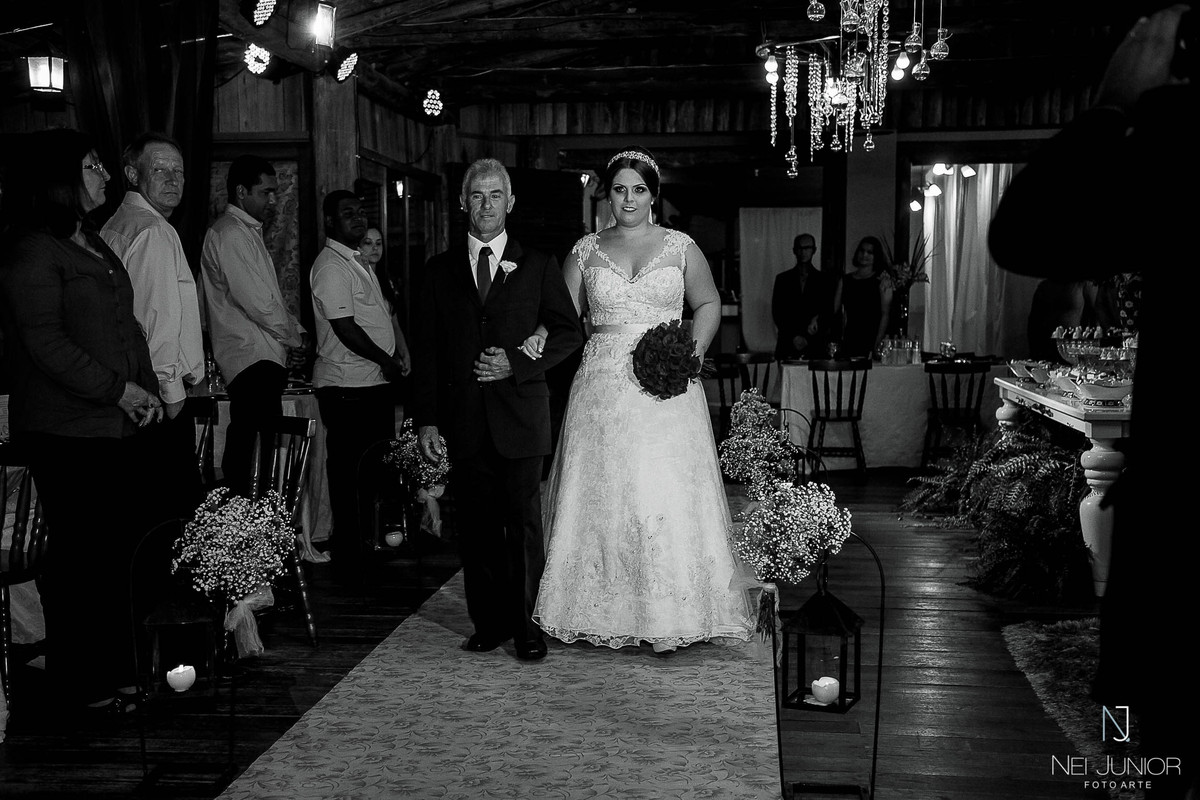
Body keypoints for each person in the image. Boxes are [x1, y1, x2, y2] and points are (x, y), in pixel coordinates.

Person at [989, 5, 1197, 797]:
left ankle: (1136, 759)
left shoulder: (1178, 145)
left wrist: (1115, 107)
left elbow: (1024, 233)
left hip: (1181, 512)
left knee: (1148, 720)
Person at [532, 146, 756, 654]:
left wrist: (692, 352)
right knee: (604, 488)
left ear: (654, 195)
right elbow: (561, 317)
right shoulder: (585, 250)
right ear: (606, 196)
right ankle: (595, 605)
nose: (628, 199)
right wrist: (536, 339)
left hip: (667, 385)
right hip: (601, 389)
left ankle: (672, 612)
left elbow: (708, 302)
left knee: (664, 486)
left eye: (638, 189)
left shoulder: (681, 246)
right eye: (619, 190)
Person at [0, 128, 162, 715]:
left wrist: (147, 386)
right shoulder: (32, 251)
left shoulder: (91, 240)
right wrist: (119, 389)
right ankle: (83, 682)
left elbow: (127, 323)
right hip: (64, 429)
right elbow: (45, 343)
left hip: (112, 424)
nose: (105, 174)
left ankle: (118, 669)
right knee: (80, 560)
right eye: (93, 165)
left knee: (114, 553)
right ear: (58, 179)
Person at [411, 158, 583, 662]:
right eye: (477, 195)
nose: (485, 205)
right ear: (463, 203)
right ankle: (488, 622)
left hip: (522, 417)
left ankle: (528, 628)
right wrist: (426, 419)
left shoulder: (538, 264)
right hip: (464, 418)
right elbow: (427, 352)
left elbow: (568, 333)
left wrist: (518, 363)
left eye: (495, 195)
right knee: (477, 527)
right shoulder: (438, 271)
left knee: (524, 524)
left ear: (510, 203)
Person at [100, 131, 205, 519]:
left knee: (143, 514)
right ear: (132, 174)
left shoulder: (116, 223)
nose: (173, 179)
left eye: (179, 170)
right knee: (171, 520)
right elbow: (155, 320)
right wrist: (171, 394)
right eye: (160, 169)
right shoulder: (153, 231)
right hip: (156, 396)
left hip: (130, 389)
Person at [200, 155, 307, 495]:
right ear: (241, 191)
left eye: (274, 192)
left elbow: (268, 299)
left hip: (259, 356)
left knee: (258, 454)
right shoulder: (230, 233)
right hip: (250, 359)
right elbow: (259, 303)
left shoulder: (244, 232)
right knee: (249, 457)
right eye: (265, 192)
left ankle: (251, 517)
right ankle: (242, 519)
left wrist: (296, 333)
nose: (273, 200)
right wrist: (295, 338)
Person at [310, 191, 405, 569]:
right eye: (348, 213)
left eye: (361, 210)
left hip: (370, 382)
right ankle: (350, 552)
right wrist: (386, 360)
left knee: (372, 470)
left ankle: (368, 543)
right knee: (349, 471)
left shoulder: (356, 260)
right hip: (347, 385)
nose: (358, 217)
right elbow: (345, 327)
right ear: (330, 222)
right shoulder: (332, 266)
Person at [359, 226, 412, 390]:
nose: (375, 248)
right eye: (368, 243)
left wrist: (404, 352)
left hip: (388, 359)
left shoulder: (386, 281)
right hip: (364, 360)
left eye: (378, 243)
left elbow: (393, 322)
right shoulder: (356, 279)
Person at [771, 233, 838, 360]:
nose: (803, 252)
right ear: (794, 250)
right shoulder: (783, 279)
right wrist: (793, 336)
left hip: (815, 344)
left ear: (814, 250)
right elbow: (778, 312)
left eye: (807, 248)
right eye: (800, 248)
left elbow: (828, 312)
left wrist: (808, 338)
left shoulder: (825, 280)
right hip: (788, 342)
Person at [833, 235, 893, 359]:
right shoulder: (846, 280)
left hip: (872, 337)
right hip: (850, 337)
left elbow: (885, 314)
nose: (864, 255)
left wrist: (878, 342)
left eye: (870, 252)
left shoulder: (882, 281)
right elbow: (834, 310)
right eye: (862, 250)